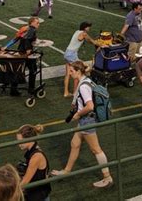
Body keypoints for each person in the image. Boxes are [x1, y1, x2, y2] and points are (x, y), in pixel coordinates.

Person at [51, 61, 113, 189]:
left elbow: (90, 106)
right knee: (75, 144)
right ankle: (67, 171)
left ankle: (107, 177)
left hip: (86, 120)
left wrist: (78, 114)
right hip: (85, 120)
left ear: (78, 71)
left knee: (96, 149)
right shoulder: (87, 81)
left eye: (72, 71)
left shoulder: (83, 86)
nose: (70, 73)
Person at [16, 124, 51, 201]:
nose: (19, 144)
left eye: (21, 141)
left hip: (39, 197)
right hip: (37, 195)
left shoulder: (36, 157)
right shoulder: (32, 151)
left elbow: (25, 182)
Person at [63, 22, 98, 98]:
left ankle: (66, 93)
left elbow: (88, 40)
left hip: (67, 54)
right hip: (72, 55)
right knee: (86, 67)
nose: (89, 28)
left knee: (67, 74)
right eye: (88, 27)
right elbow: (92, 41)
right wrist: (100, 44)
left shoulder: (77, 31)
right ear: (85, 28)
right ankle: (75, 93)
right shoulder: (84, 33)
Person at [7, 17, 40, 97]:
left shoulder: (24, 28)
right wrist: (28, 49)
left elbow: (16, 39)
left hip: (20, 52)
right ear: (31, 23)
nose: (38, 24)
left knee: (18, 71)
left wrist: (6, 46)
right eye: (37, 23)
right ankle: (31, 89)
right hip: (26, 54)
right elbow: (27, 40)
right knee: (33, 70)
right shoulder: (32, 30)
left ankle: (13, 90)